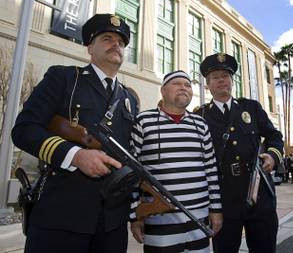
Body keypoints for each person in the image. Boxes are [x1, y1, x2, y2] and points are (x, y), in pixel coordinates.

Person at [11, 14, 138, 253]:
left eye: (121, 42)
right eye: (107, 38)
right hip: (61, 215)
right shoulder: (64, 78)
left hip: (112, 222)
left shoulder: (129, 98)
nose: (116, 44)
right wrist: (75, 155)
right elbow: (24, 129)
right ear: (90, 47)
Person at [194, 53, 284, 253]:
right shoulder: (200, 116)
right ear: (208, 85)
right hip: (224, 201)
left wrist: (272, 155)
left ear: (231, 81)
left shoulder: (250, 108)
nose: (221, 80)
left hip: (259, 195)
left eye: (225, 76)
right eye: (215, 77)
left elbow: (274, 135)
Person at [130, 70, 223, 252]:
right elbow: (132, 171)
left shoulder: (200, 124)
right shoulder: (143, 121)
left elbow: (211, 170)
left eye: (188, 85)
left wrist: (216, 209)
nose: (184, 88)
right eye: (177, 83)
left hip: (199, 217)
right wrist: (135, 215)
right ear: (163, 90)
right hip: (159, 217)